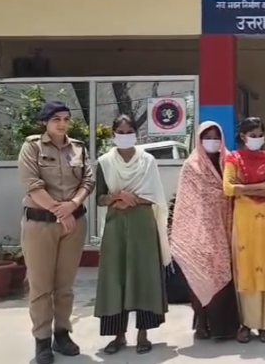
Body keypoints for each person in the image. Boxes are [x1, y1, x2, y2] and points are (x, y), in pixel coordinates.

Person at [17, 101, 94, 364]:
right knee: (41, 286)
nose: (62, 124)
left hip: (73, 224)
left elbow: (88, 180)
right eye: (56, 119)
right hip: (40, 224)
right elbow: (32, 184)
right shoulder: (32, 147)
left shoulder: (78, 148)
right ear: (45, 122)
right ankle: (42, 341)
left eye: (66, 119)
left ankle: (62, 334)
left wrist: (73, 205)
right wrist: (60, 211)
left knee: (64, 286)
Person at [94, 115, 170, 354]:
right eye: (120, 131)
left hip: (142, 224)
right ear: (113, 133)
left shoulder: (147, 161)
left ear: (136, 133)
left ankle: (143, 334)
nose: (125, 135)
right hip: (116, 225)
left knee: (144, 277)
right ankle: (118, 336)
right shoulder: (105, 162)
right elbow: (99, 198)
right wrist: (117, 197)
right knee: (115, 277)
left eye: (129, 131)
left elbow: (155, 195)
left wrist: (131, 199)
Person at [171, 121, 240, 341]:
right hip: (199, 230)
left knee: (224, 275)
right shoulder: (191, 166)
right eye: (207, 137)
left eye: (216, 137)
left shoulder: (229, 161)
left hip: (226, 227)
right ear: (199, 140)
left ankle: (224, 327)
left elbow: (235, 192)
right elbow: (187, 202)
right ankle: (201, 321)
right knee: (199, 275)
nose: (212, 141)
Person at [223, 117, 265, 343]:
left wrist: (245, 189)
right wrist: (261, 186)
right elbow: (228, 188)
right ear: (243, 136)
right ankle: (246, 324)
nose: (257, 139)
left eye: (260, 135)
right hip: (244, 221)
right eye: (253, 135)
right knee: (245, 269)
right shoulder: (233, 158)